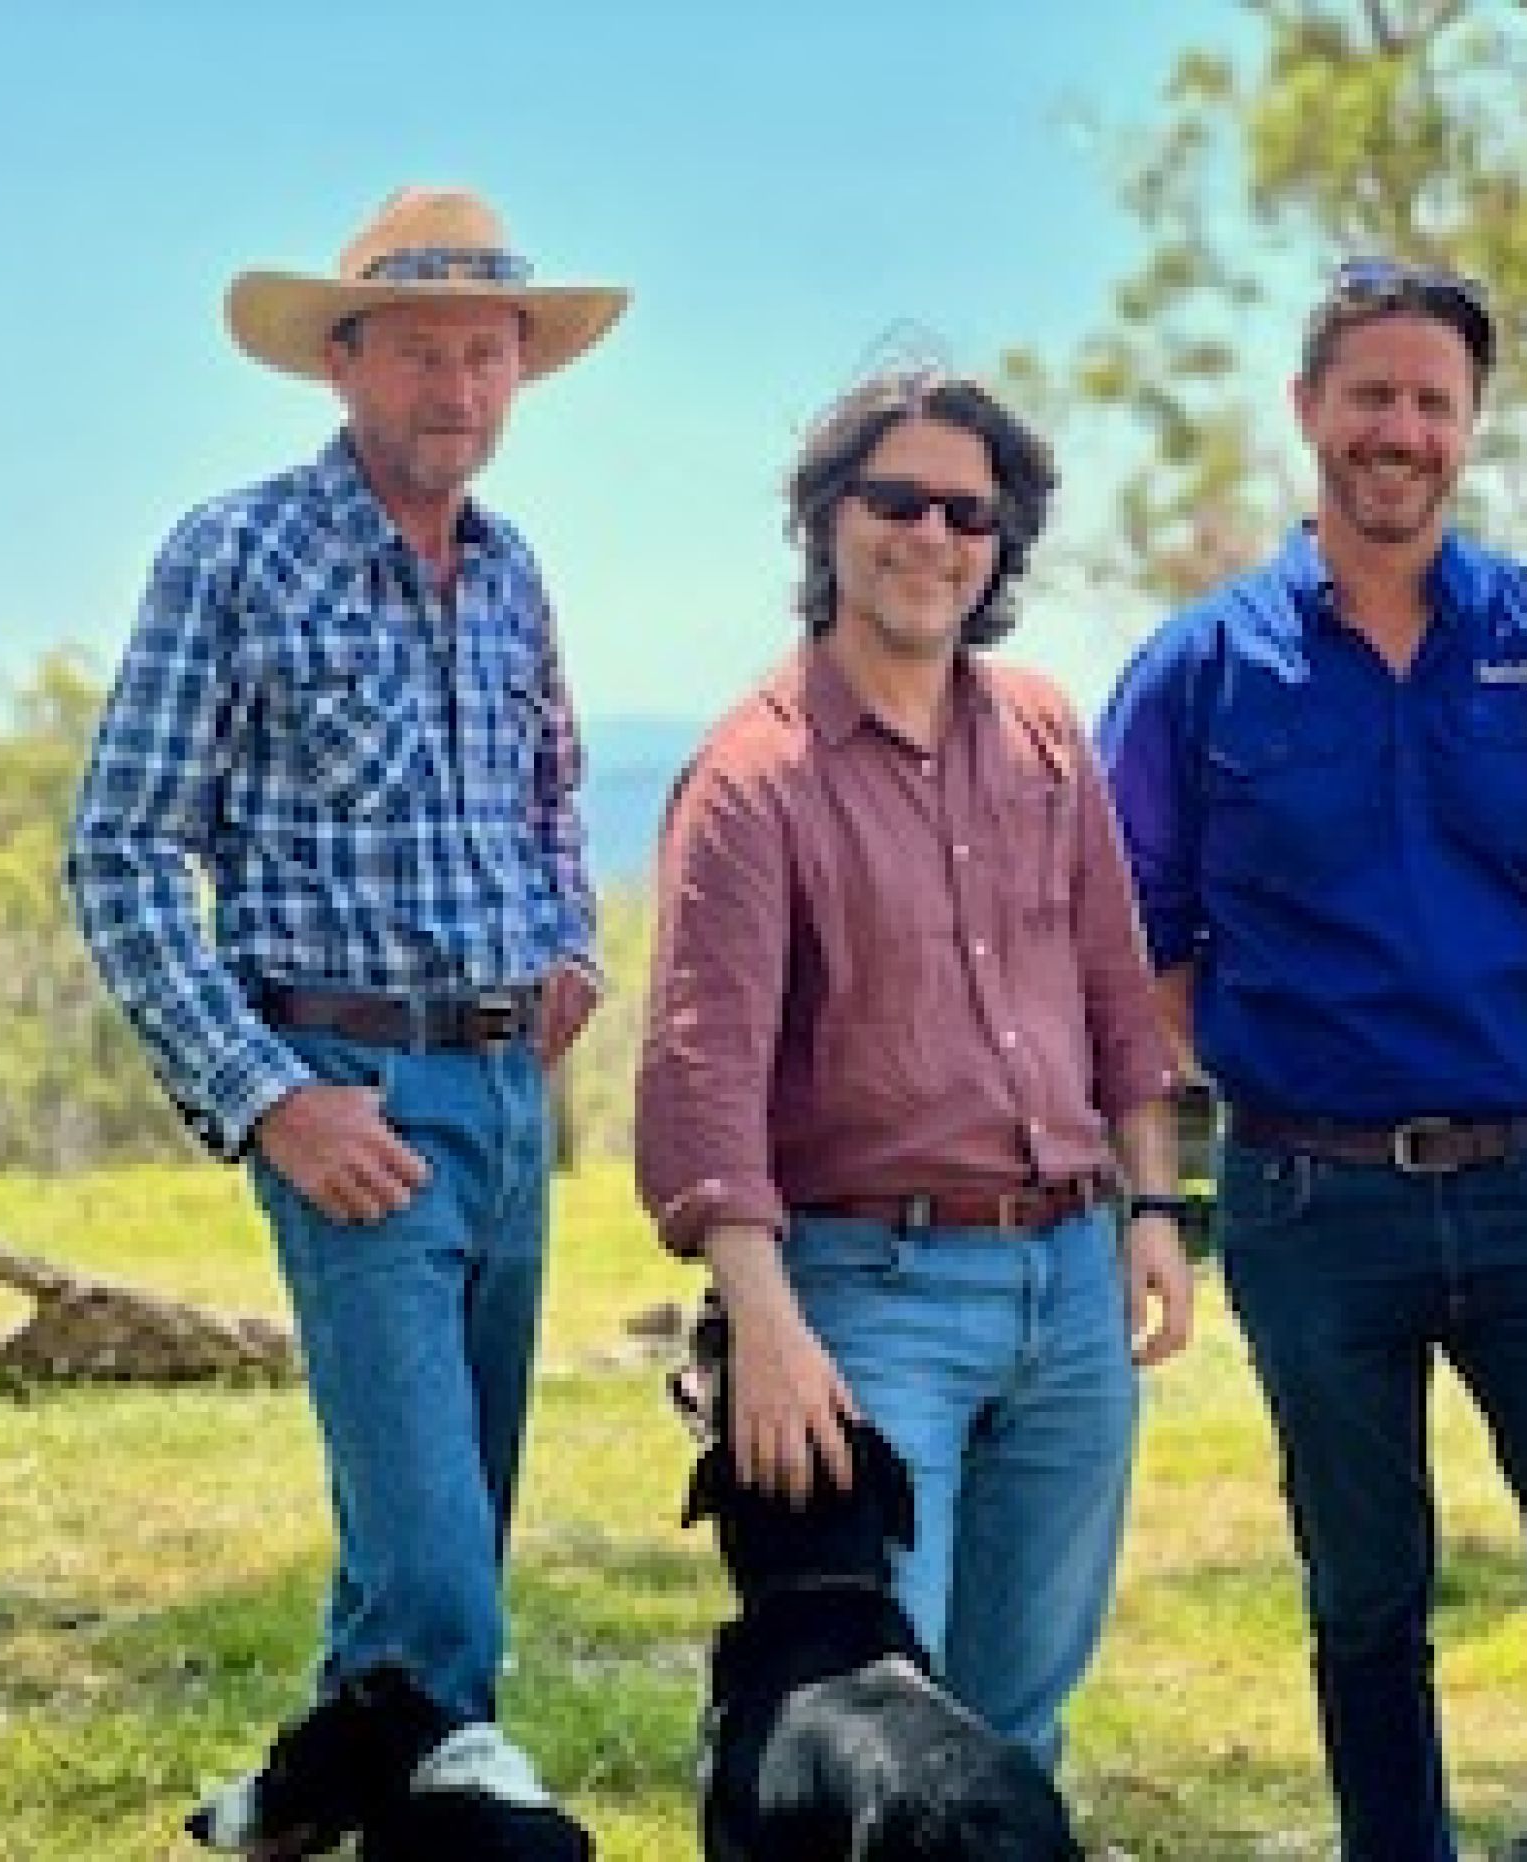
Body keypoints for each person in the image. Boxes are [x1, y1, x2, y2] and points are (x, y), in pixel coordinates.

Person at [1096, 258, 1527, 1860]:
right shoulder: (1196, 670)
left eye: (1432, 401)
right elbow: (1129, 932)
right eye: (1369, 394)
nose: (1401, 429)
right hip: (1313, 1202)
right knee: (1364, 1603)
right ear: (1306, 409)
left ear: (1468, 427)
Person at [65, 186, 625, 1847]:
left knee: (423, 1541)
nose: (458, 385)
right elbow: (118, 848)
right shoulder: (234, 550)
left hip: (510, 1101)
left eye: (488, 353)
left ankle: (293, 1807)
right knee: (446, 1567)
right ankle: (459, 1810)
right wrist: (269, 1097)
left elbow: (551, 789)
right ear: (341, 362)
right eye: (421, 352)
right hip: (347, 1097)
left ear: (520, 371)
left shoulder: (516, 570)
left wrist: (569, 940)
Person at [635, 366, 1194, 1772]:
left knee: (1014, 1735)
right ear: (827, 518)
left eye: (967, 510)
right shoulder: (749, 780)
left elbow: (1114, 991)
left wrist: (1151, 1210)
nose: (931, 535)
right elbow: (703, 1079)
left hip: (1070, 1287)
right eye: (897, 500)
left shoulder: (1047, 734)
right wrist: (763, 1327)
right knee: (872, 1732)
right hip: (868, 1305)